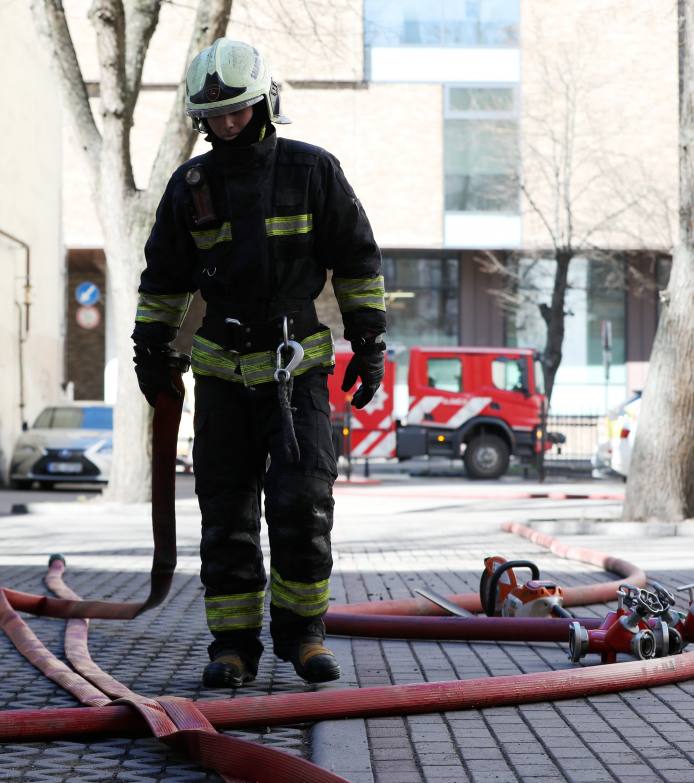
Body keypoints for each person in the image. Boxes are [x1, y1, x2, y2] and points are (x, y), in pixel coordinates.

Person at [131, 38, 387, 688]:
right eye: (213, 115)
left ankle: (303, 637)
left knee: (303, 507)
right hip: (220, 377)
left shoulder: (312, 171)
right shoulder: (191, 187)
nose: (225, 124)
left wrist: (369, 343)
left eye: (237, 110)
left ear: (266, 102)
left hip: (295, 373)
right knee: (227, 517)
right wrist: (149, 348)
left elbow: (357, 260)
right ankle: (233, 646)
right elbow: (164, 279)